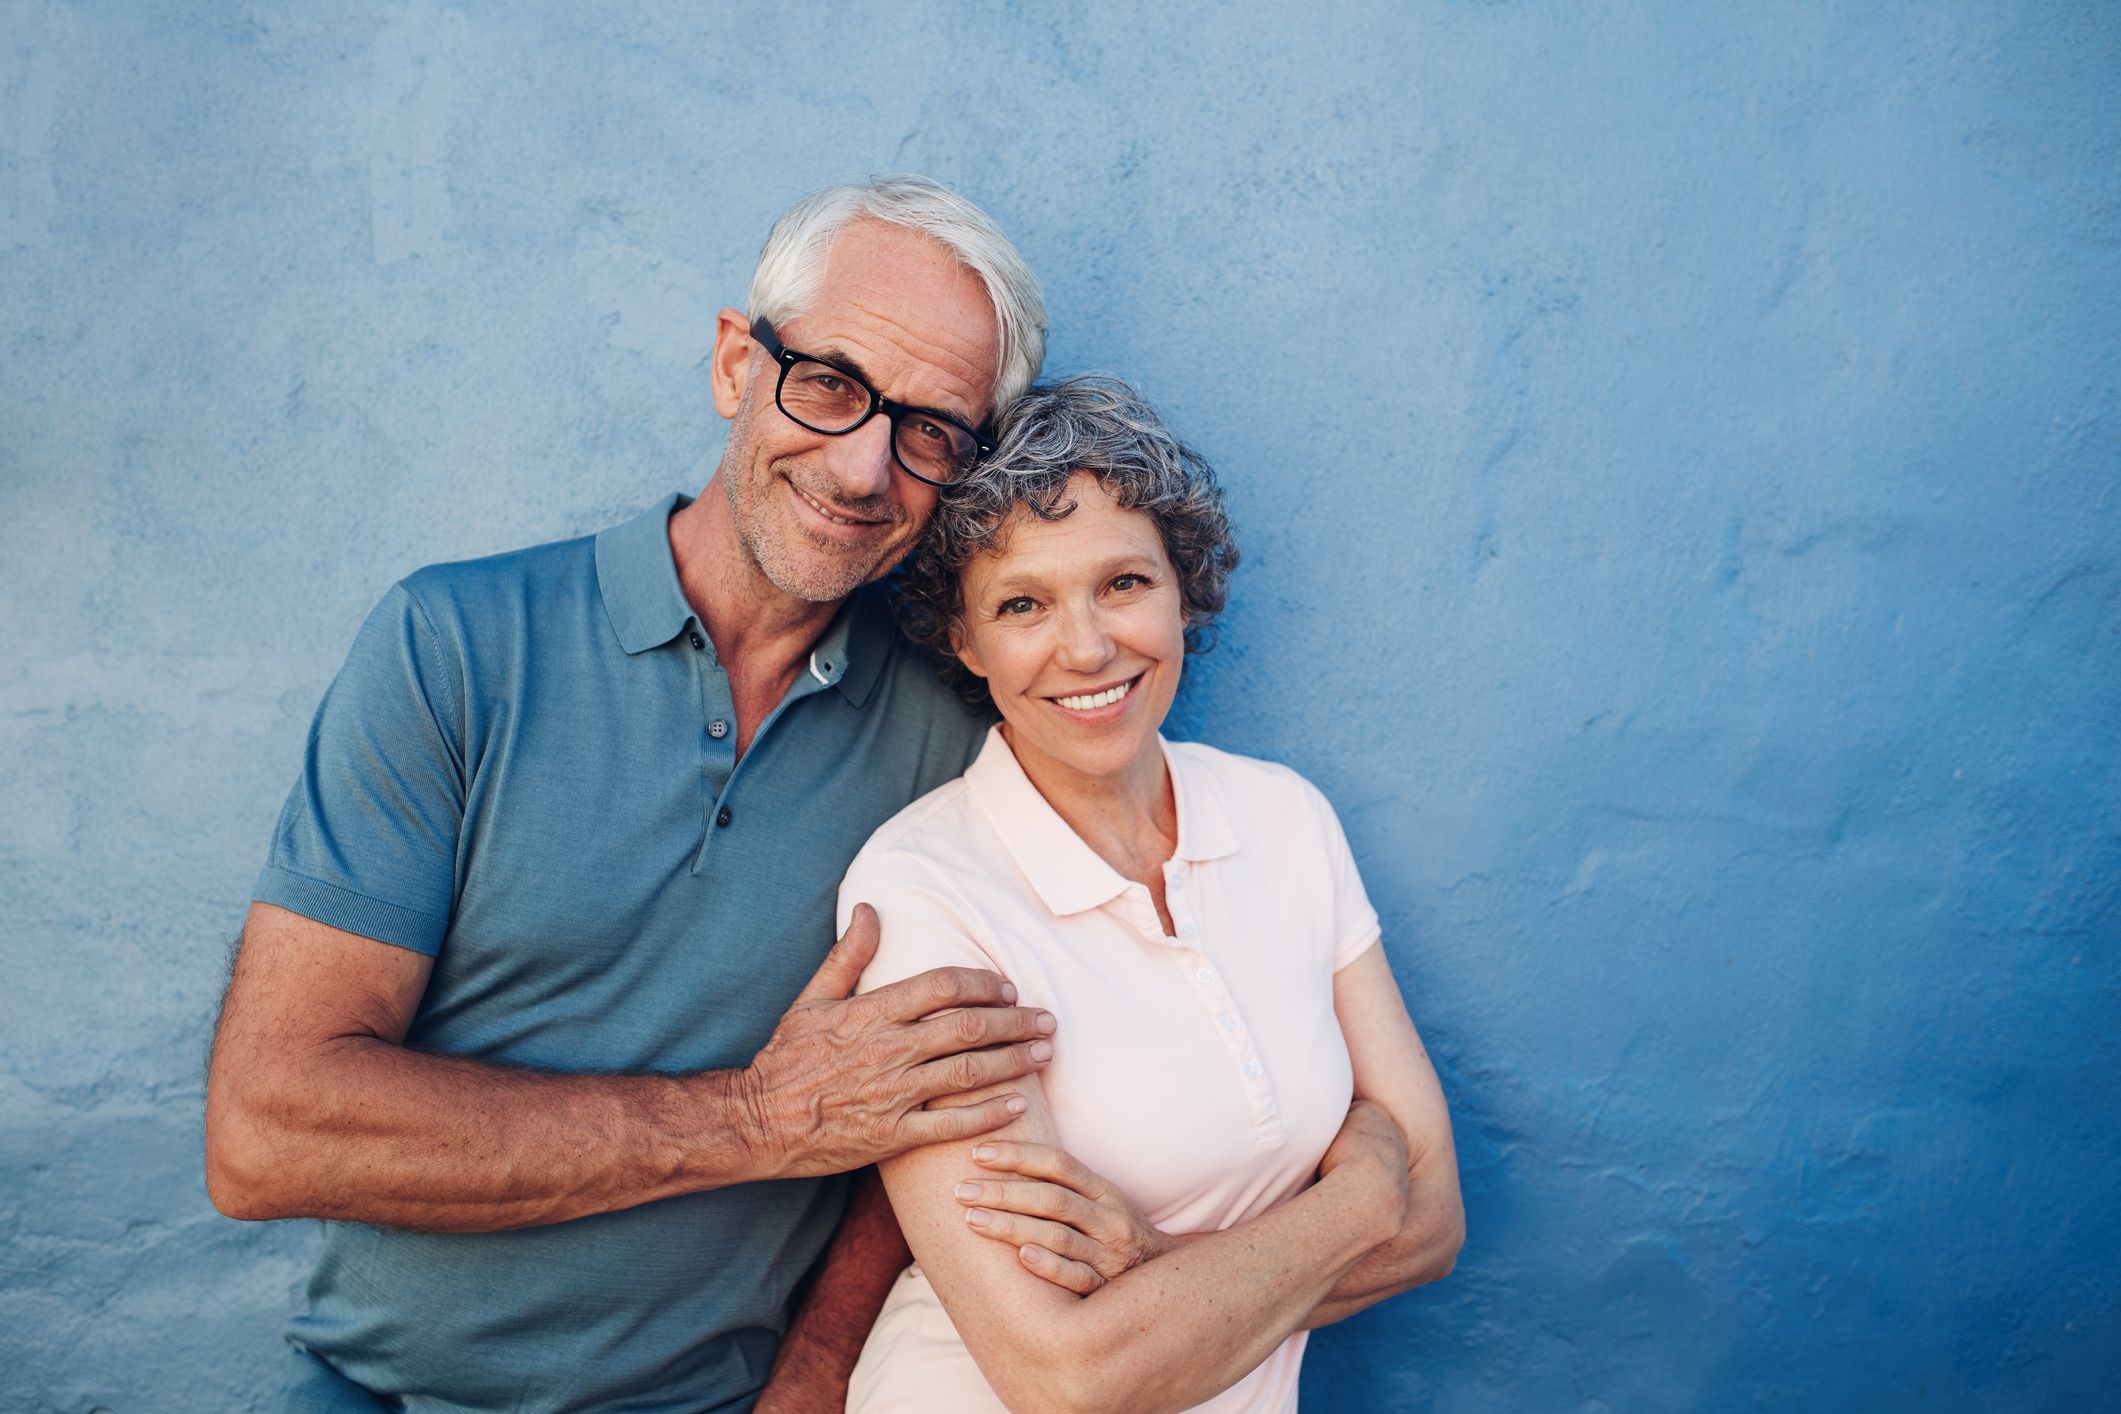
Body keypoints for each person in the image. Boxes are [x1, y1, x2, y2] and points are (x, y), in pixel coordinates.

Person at [204, 176, 1067, 1413]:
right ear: (734, 363)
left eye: (932, 430)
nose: (865, 464)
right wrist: (760, 1120)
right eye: (828, 381)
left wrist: (818, 1370)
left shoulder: (956, 729)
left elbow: (932, 1091)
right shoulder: (456, 646)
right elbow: (265, 1131)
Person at [818, 377, 1465, 1412]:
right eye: (1022, 603)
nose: (1086, 647)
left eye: (1122, 583)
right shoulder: (923, 893)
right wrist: (1361, 1192)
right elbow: (1065, 1371)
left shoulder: (1285, 820)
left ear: (1182, 588)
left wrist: (1158, 1259)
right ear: (966, 640)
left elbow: (1435, 1224)